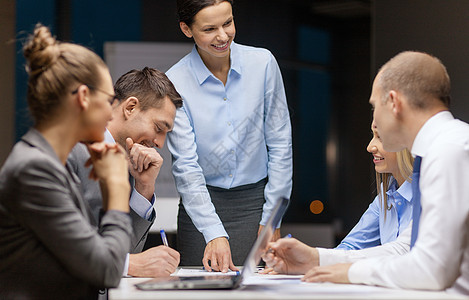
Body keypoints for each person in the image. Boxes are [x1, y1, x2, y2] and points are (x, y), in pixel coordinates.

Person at [263, 51, 469, 295]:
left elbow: (432, 269)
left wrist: (349, 273)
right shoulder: (446, 145)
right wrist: (315, 258)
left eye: (374, 106)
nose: (374, 123)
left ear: (394, 103)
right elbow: (405, 247)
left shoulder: (449, 150)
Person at [0, 24, 132, 299]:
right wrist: (118, 187)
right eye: (109, 100)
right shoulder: (33, 169)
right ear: (83, 97)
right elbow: (106, 269)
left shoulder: (50, 164)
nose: (111, 113)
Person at [166, 0, 292, 272]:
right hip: (200, 206)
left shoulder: (263, 64)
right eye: (210, 29)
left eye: (228, 23)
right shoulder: (175, 81)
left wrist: (273, 217)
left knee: (257, 288)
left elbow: (280, 143)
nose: (223, 36)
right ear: (186, 29)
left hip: (256, 205)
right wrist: (212, 231)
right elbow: (186, 165)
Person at [67, 67, 182, 277]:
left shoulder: (128, 163)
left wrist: (144, 188)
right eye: (158, 128)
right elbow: (59, 243)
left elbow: (126, 251)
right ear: (130, 107)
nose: (160, 143)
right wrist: (130, 265)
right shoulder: (71, 149)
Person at [335, 121, 414, 250]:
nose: (370, 147)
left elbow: (402, 256)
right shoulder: (387, 192)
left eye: (380, 137)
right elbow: (351, 246)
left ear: (405, 143)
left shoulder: (429, 194)